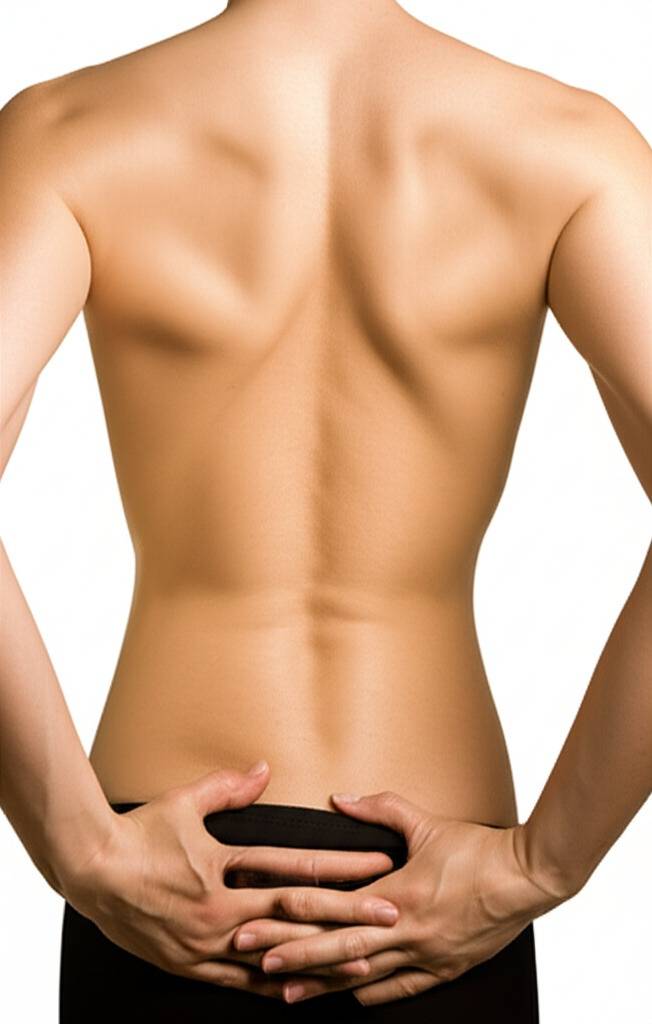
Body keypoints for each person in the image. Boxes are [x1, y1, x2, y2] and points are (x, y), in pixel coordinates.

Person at [0, 0, 650, 1020]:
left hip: (164, 867)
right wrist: (541, 863)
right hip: (430, 890)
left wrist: (78, 842)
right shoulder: (565, 144)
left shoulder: (70, 130)